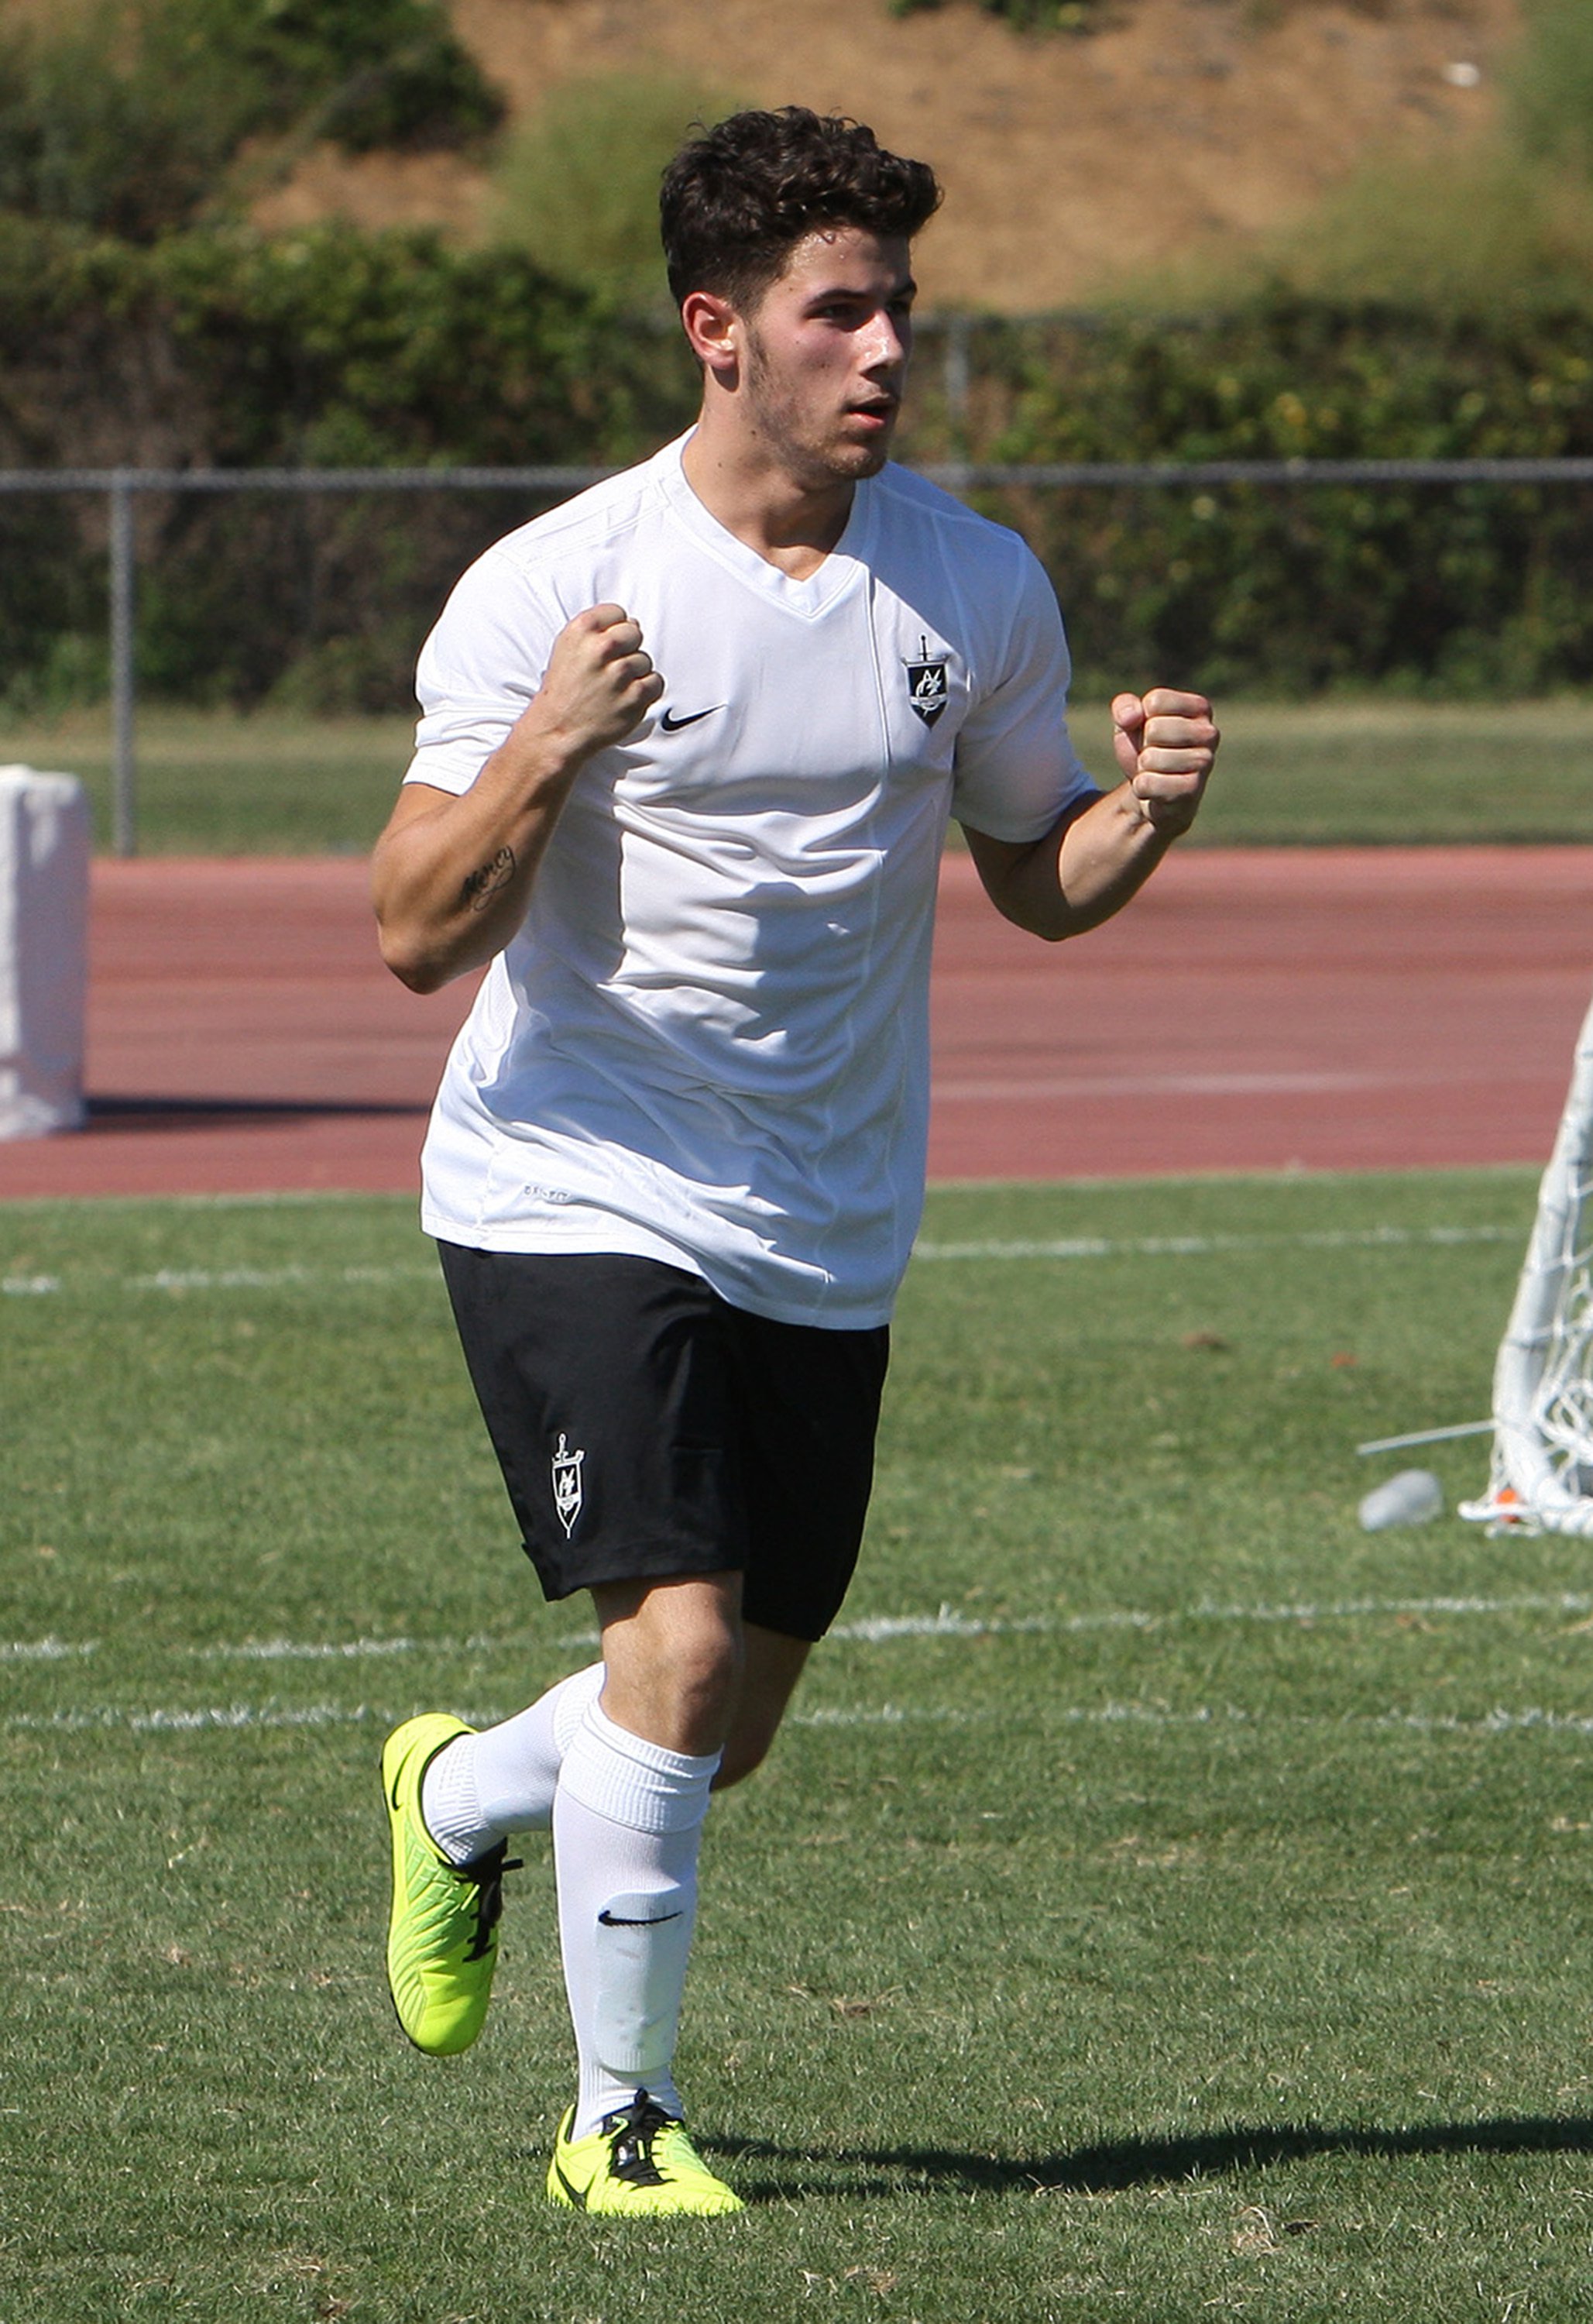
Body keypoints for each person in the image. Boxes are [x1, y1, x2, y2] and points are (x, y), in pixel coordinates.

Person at [370, 104, 1218, 2219]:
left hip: (827, 1223)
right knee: (665, 1649)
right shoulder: (553, 588)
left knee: (716, 1727)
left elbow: (1035, 878)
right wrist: (549, 747)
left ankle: (467, 1796)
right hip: (571, 1181)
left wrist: (1142, 813)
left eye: (897, 313)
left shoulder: (970, 580)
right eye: (838, 313)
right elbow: (410, 930)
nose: (884, 353)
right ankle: (617, 2129)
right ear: (715, 331)